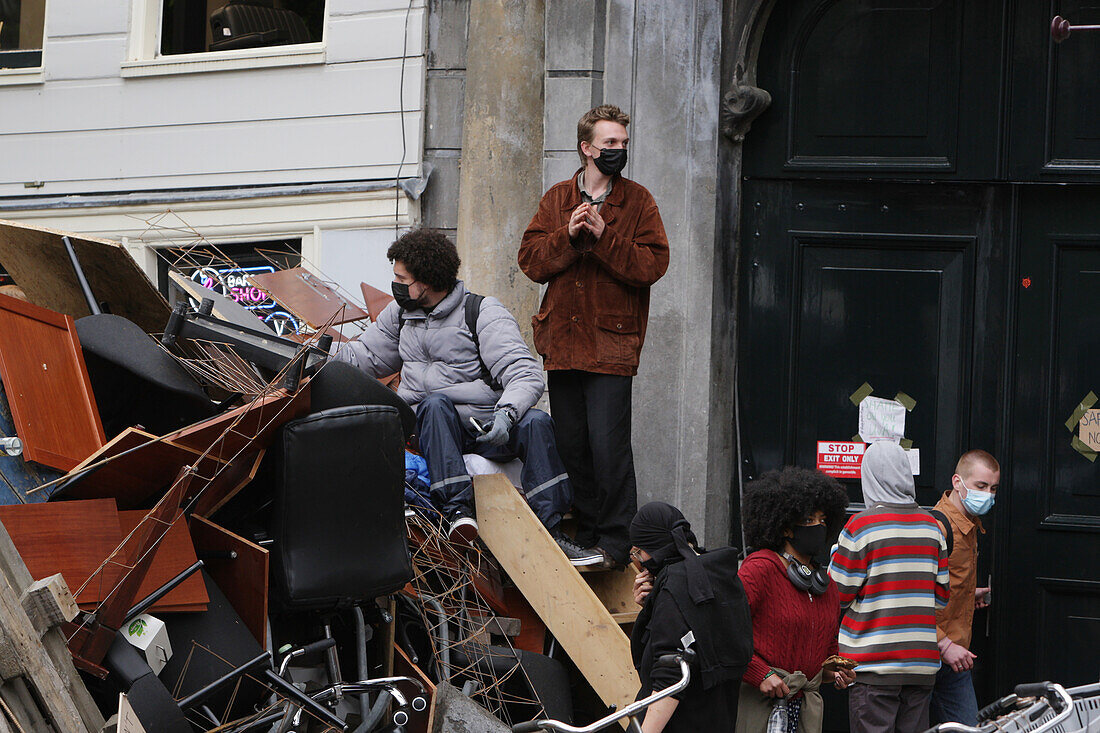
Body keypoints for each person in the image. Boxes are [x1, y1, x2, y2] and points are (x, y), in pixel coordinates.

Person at [334, 229, 598, 565]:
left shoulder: (482, 313)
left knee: (536, 422)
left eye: (401, 277)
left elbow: (525, 372)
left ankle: (553, 531)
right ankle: (458, 510)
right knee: (434, 403)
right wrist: (316, 357)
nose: (395, 284)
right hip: (429, 428)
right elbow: (366, 357)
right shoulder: (400, 315)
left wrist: (507, 414)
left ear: (426, 281)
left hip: (484, 426)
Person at [518, 104, 669, 568]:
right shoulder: (557, 198)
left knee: (609, 449)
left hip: (611, 346)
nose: (618, 150)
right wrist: (567, 234)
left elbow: (652, 266)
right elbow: (530, 261)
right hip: (562, 345)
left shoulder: (638, 201)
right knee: (572, 448)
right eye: (610, 144)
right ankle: (584, 537)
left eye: (623, 143)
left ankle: (616, 544)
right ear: (587, 148)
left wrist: (604, 236)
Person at [829, 441, 950, 733]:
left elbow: (838, 594)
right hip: (920, 666)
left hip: (874, 666)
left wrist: (836, 554)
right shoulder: (932, 527)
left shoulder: (861, 526)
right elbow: (941, 598)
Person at [734, 467, 855, 733]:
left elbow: (827, 651)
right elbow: (725, 632)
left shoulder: (827, 586)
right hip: (760, 704)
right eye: (810, 519)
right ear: (786, 527)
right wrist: (759, 673)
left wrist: (834, 671)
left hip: (805, 711)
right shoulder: (760, 569)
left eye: (824, 520)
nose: (820, 527)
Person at [628, 502, 753, 733]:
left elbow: (670, 675)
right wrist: (652, 607)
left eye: (638, 552)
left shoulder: (675, 587)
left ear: (652, 547)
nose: (638, 561)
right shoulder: (720, 575)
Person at [929, 450, 999, 726]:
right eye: (981, 486)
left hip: (955, 657)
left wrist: (970, 595)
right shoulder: (938, 528)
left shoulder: (969, 524)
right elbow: (913, 595)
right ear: (957, 482)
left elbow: (946, 585)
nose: (989, 495)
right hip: (933, 654)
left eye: (993, 488)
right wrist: (943, 645)